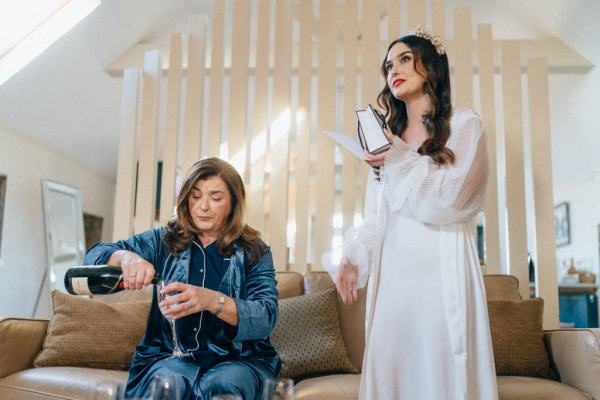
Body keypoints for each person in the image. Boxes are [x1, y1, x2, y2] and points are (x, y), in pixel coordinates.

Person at [334, 26, 498, 399]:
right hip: (394, 277)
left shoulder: (464, 124)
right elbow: (377, 214)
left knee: (442, 369)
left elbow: (456, 202)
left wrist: (401, 158)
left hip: (441, 269)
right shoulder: (385, 138)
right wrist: (353, 257)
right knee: (393, 372)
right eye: (389, 64)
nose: (394, 69)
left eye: (405, 58)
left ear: (431, 66)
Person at [84, 158, 280, 399]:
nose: (203, 207)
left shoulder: (254, 250)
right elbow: (94, 254)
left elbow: (266, 315)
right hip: (169, 356)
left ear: (233, 203)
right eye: (196, 196)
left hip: (240, 360)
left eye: (216, 198)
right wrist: (125, 257)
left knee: (223, 386)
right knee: (169, 383)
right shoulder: (163, 240)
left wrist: (212, 300)